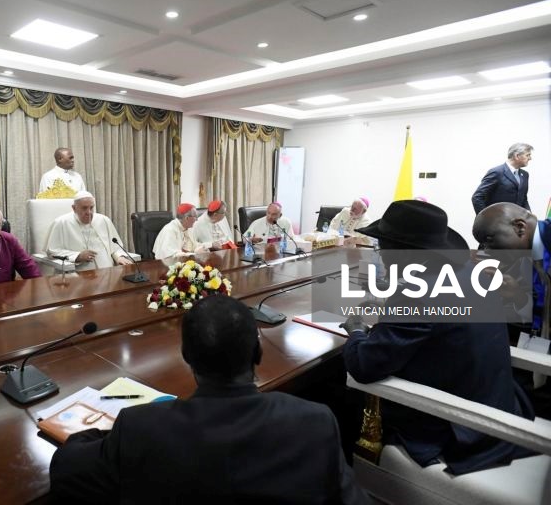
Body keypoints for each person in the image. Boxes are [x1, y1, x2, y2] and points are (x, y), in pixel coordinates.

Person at [50, 294, 367, 504]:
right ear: (257, 353)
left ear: (186, 356)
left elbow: (65, 468)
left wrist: (105, 435)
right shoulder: (316, 422)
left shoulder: (141, 428)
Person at [342, 200, 536, 475]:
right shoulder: (471, 273)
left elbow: (363, 365)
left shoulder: (417, 293)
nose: (381, 254)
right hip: (498, 403)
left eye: (382, 247)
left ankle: (351, 479)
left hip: (458, 429)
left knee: (337, 393)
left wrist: (358, 329)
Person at [473, 202, 550, 333]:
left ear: (520, 227)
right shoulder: (524, 262)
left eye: (490, 240)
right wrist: (518, 296)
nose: (486, 250)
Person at [46, 191, 131, 271]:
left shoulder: (103, 220)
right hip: (78, 275)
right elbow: (52, 251)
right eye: (84, 208)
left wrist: (118, 257)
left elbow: (115, 246)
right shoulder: (61, 223)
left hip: (107, 272)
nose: (89, 212)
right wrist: (77, 256)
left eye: (91, 207)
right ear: (74, 208)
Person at [471, 142, 533, 214]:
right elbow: (477, 197)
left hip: (515, 222)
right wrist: (487, 219)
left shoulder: (525, 175)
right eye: (527, 155)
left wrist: (529, 215)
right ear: (517, 156)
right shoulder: (496, 172)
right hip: (497, 222)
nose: (530, 158)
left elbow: (523, 198)